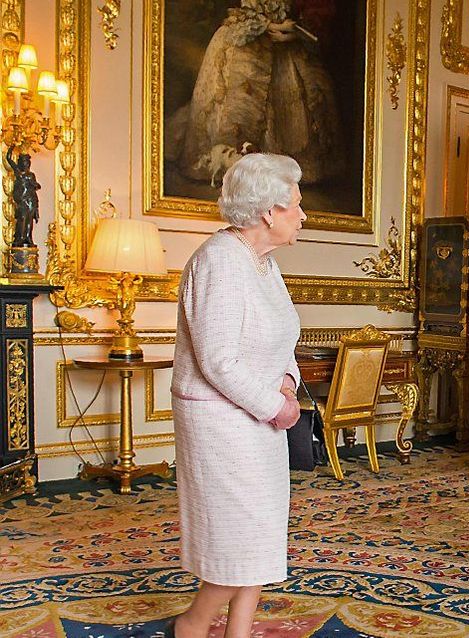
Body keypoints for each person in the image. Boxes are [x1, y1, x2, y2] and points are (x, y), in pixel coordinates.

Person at [169, 153, 306, 637]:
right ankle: (194, 622)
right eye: (295, 205)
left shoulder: (263, 263)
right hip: (221, 422)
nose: (302, 215)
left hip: (261, 417)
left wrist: (287, 382)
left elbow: (281, 335)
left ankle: (238, 631)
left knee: (261, 532)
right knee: (237, 534)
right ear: (269, 211)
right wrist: (278, 407)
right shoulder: (219, 261)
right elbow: (218, 360)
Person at [166, 0, 341, 185]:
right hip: (245, 41)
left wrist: (294, 33)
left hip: (284, 46)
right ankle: (235, 166)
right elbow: (241, 16)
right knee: (236, 104)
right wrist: (272, 25)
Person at [5, 148, 41, 247]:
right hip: (22, 201)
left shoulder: (31, 175)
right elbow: (9, 159)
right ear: (20, 163)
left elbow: (36, 187)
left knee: (29, 221)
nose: (26, 164)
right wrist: (11, 148)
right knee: (22, 219)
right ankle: (20, 238)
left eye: (27, 162)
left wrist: (34, 185)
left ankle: (28, 238)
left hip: (31, 200)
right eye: (24, 162)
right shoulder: (18, 172)